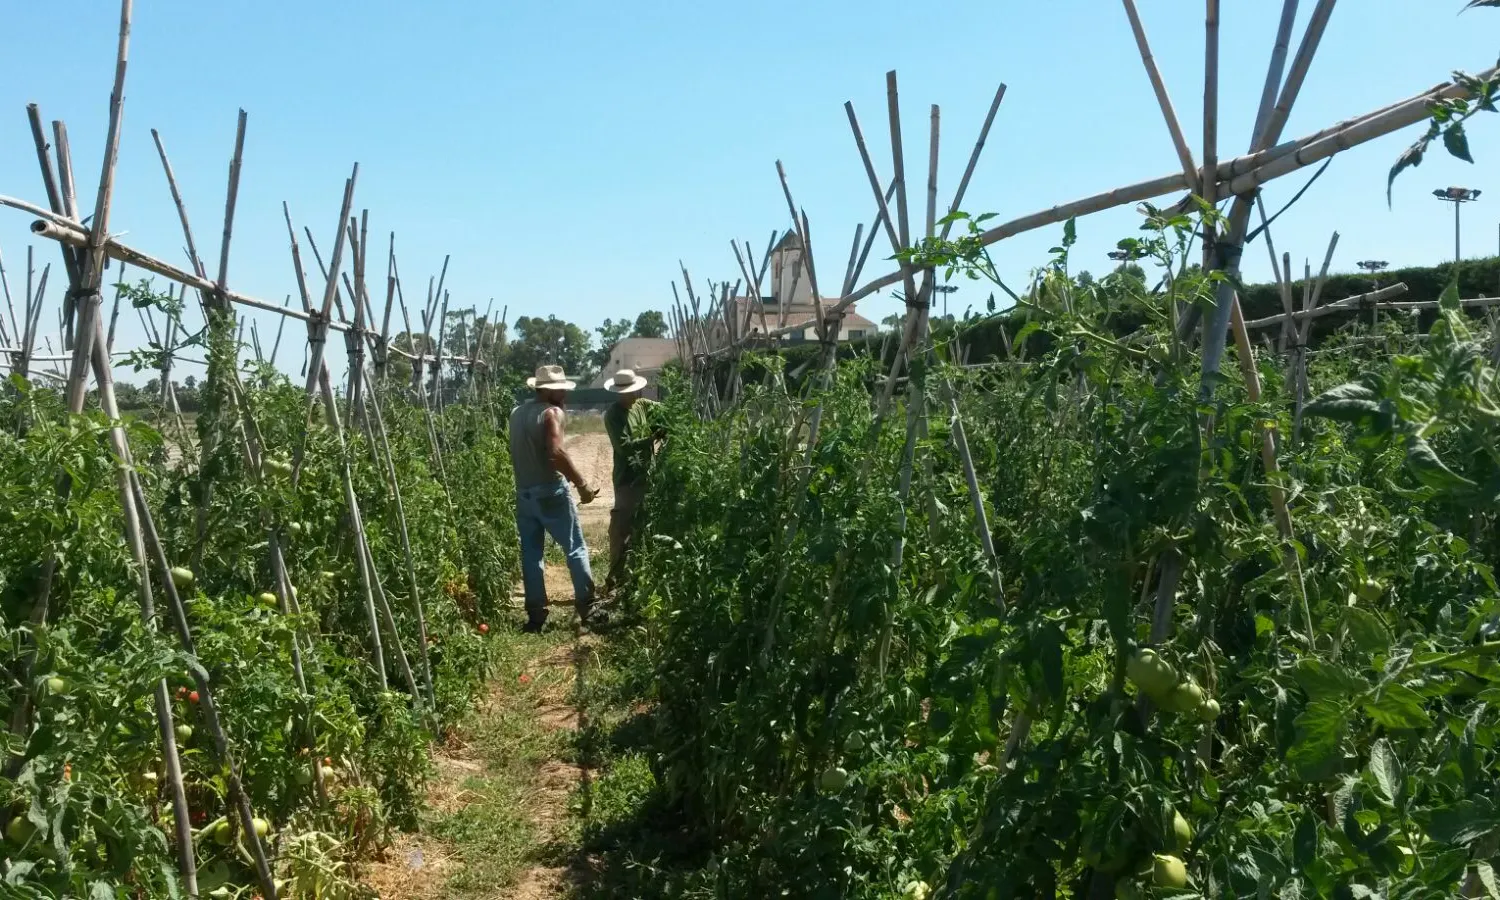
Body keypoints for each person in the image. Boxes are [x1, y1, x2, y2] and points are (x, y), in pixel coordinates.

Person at [508, 364, 603, 632]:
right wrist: (582, 485)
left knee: (531, 553)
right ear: (549, 390)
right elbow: (556, 454)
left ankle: (536, 616)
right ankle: (587, 605)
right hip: (550, 491)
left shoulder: (516, 413)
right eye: (561, 387)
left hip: (524, 492)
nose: (564, 392)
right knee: (575, 547)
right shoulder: (552, 413)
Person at [602, 368, 663, 595]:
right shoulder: (613, 415)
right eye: (628, 392)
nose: (633, 394)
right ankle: (615, 578)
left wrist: (664, 425)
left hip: (647, 475)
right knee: (622, 530)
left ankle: (639, 574)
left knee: (645, 527)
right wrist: (652, 438)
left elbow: (666, 412)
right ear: (619, 393)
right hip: (627, 479)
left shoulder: (642, 406)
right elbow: (624, 447)